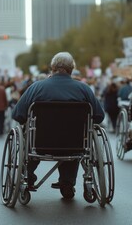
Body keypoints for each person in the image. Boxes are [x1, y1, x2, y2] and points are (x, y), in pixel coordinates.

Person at [12, 52, 105, 199]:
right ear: (71, 69)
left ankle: (27, 177)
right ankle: (67, 182)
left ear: (52, 67)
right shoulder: (84, 89)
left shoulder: (36, 88)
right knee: (74, 140)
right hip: (74, 144)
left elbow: (18, 115)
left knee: (29, 137)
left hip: (40, 143)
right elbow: (99, 117)